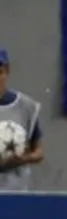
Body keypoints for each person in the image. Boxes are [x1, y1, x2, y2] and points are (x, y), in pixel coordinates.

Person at [0, 48, 45, 192]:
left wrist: (24, 158)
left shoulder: (26, 107)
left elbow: (39, 151)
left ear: (7, 71)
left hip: (16, 191)